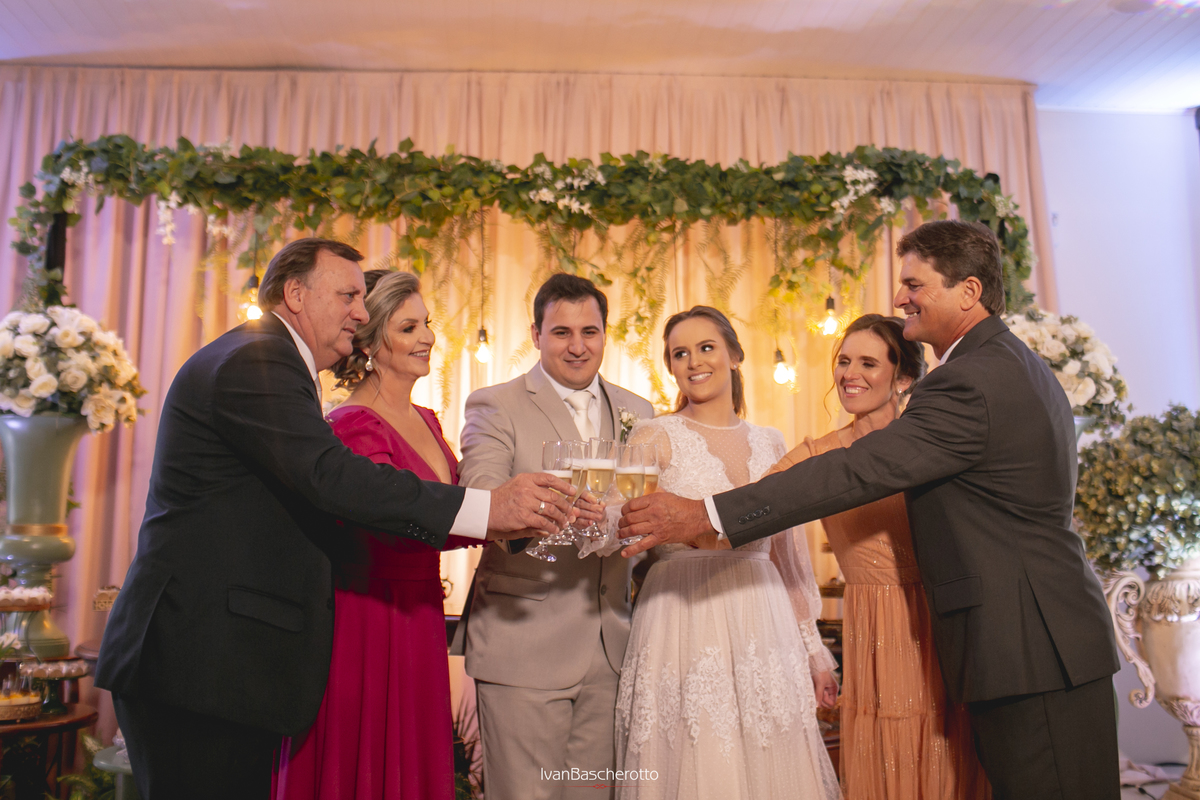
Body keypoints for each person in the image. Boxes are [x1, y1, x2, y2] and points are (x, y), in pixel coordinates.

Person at [618, 220, 1121, 800]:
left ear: (969, 292)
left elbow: (856, 470)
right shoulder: (1012, 363)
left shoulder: (969, 381)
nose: (900, 297)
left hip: (1028, 646)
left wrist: (706, 515)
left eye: (915, 284)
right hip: (1038, 639)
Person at [95, 239, 583, 800]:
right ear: (295, 294)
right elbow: (332, 478)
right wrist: (489, 509)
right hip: (198, 660)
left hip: (219, 659)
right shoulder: (258, 358)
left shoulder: (269, 359)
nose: (359, 309)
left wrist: (504, 519)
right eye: (348, 295)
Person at [614, 306, 840, 800]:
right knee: (698, 759)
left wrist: (814, 651)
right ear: (671, 367)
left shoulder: (771, 442)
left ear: (734, 356)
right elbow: (618, 524)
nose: (694, 361)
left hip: (764, 618)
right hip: (684, 618)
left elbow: (789, 559)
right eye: (680, 353)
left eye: (706, 347)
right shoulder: (653, 435)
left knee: (771, 761)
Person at [767, 314, 990, 800]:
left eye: (868, 363)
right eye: (844, 361)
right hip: (874, 629)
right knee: (887, 759)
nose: (850, 374)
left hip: (946, 624)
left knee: (950, 756)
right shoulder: (817, 455)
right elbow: (753, 503)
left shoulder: (935, 446)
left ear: (903, 378)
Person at [272, 270, 473, 798]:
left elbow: (447, 513)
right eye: (408, 328)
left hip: (420, 610)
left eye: (426, 323)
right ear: (369, 342)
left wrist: (517, 514)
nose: (427, 337)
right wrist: (500, 516)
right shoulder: (353, 423)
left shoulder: (427, 419)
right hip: (367, 616)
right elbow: (393, 528)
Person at [454, 273, 655, 800]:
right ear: (536, 335)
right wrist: (556, 510)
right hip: (523, 642)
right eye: (562, 332)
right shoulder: (494, 404)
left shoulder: (639, 412)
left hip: (613, 645)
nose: (577, 346)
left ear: (606, 334)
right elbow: (482, 497)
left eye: (590, 331)